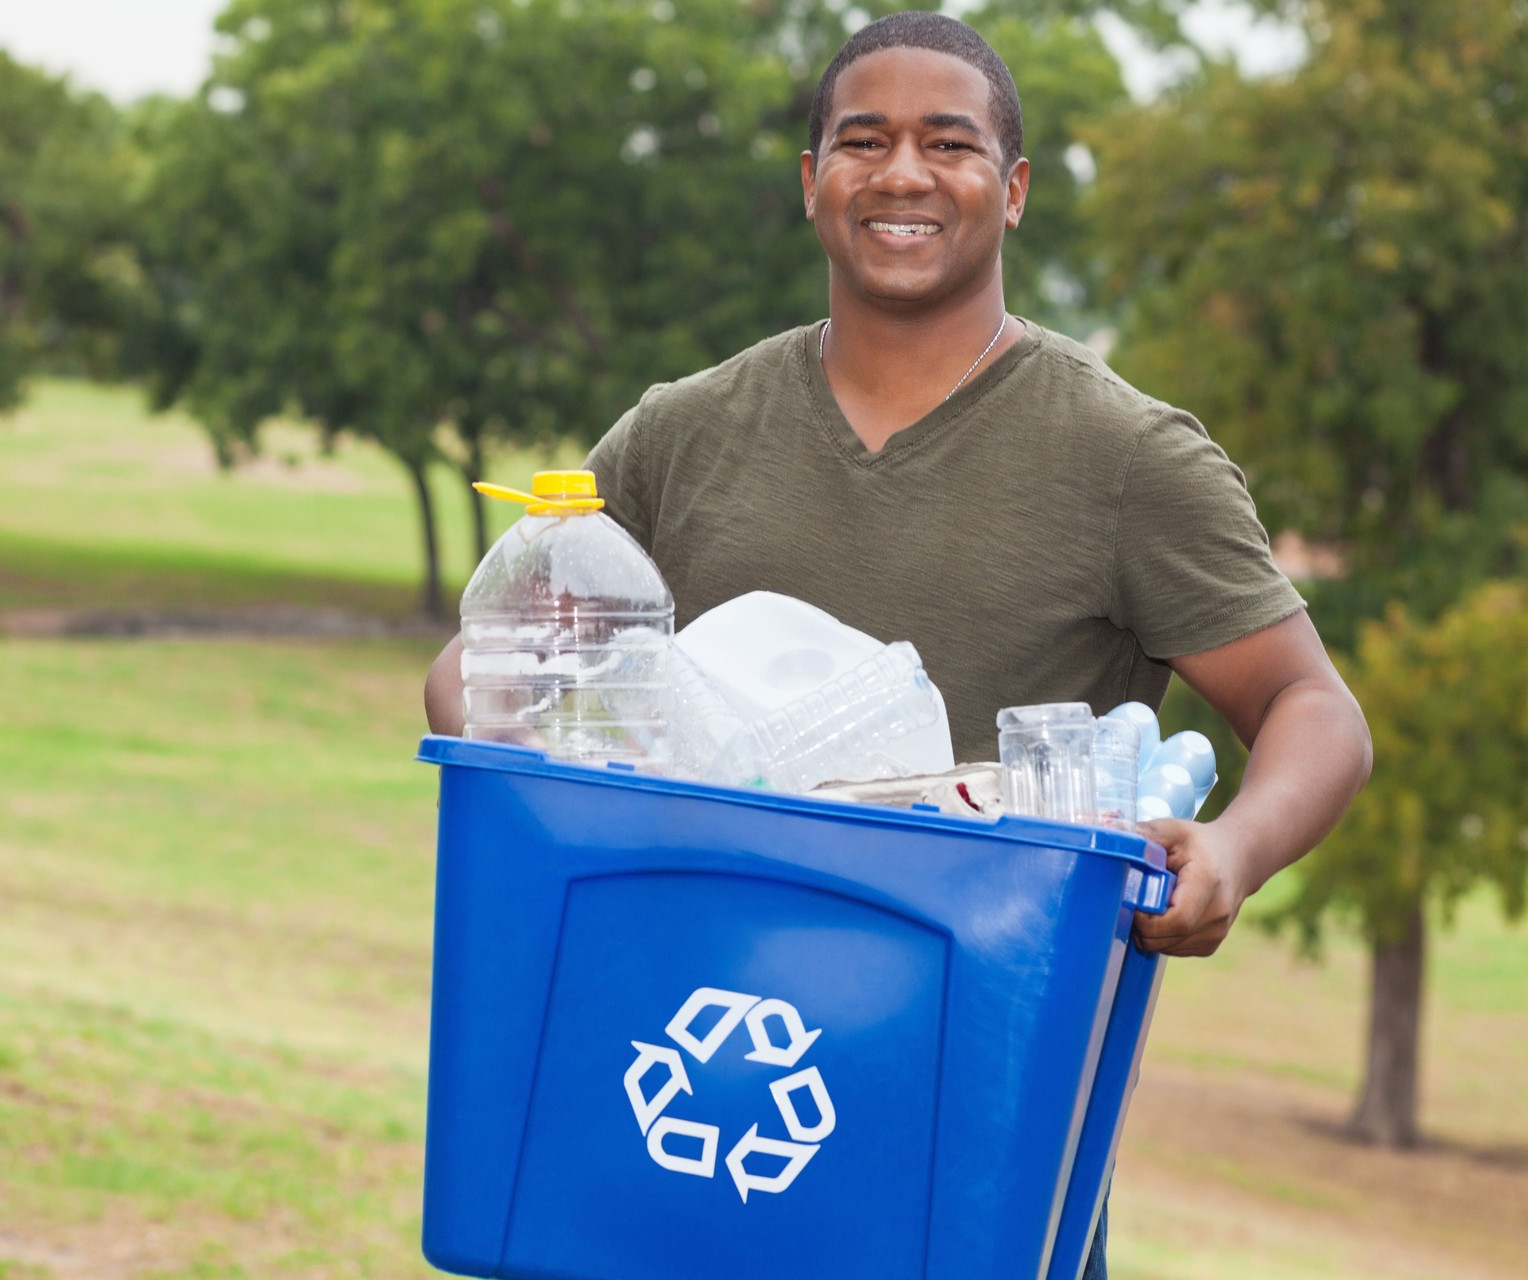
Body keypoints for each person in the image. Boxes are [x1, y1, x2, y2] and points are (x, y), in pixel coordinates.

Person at [424, 13, 1371, 1274]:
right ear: (810, 180)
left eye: (951, 143)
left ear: (1015, 188)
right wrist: (501, 700)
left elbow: (1314, 705)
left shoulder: (1127, 460)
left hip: (956, 1123)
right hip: (664, 1067)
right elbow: (489, 669)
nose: (904, 174)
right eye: (861, 140)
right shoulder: (682, 432)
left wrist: (1233, 851)